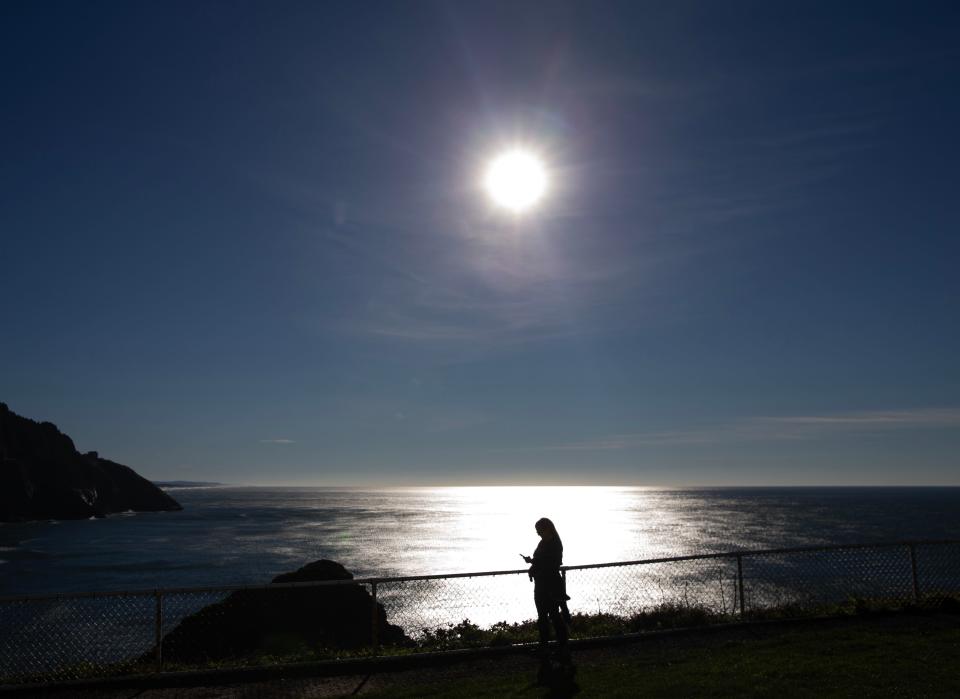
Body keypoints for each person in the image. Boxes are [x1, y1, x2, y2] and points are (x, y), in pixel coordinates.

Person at [523, 517, 570, 655]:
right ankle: (547, 647)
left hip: (550, 584)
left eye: (539, 530)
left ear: (547, 529)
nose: (537, 533)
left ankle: (560, 646)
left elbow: (551, 563)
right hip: (542, 583)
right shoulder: (545, 543)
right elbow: (542, 562)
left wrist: (534, 563)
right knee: (543, 616)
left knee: (554, 616)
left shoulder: (554, 544)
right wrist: (533, 563)